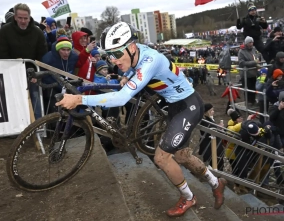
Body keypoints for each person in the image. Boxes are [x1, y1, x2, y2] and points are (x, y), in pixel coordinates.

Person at [56, 22, 227, 217]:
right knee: (182, 157)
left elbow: (121, 98)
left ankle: (189, 198)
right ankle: (216, 183)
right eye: (108, 55)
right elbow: (134, 68)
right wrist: (128, 74)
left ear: (131, 47)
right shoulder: (136, 52)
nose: (113, 61)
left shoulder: (150, 59)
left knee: (161, 158)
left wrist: (79, 99)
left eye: (117, 54)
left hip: (189, 105)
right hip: (174, 103)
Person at [0, 3, 47, 119]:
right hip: (12, 72)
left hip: (33, 72)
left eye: (25, 18)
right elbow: (2, 53)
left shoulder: (37, 32)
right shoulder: (5, 31)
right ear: (15, 17)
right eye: (20, 18)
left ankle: (38, 127)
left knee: (35, 99)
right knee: (15, 101)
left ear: (29, 18)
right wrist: (9, 71)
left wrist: (38, 73)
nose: (23, 21)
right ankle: (19, 129)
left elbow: (42, 55)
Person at [199, 103, 224, 171]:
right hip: (210, 147)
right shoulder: (205, 121)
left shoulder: (209, 119)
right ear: (207, 111)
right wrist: (219, 128)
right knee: (214, 164)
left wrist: (218, 127)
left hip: (213, 146)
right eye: (212, 110)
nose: (213, 111)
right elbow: (211, 130)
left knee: (217, 163)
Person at [238, 36, 259, 106]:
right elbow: (241, 63)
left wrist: (258, 62)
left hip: (254, 73)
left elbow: (257, 57)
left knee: (253, 88)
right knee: (247, 89)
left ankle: (253, 101)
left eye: (252, 42)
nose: (251, 44)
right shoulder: (241, 51)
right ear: (246, 43)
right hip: (246, 74)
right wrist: (254, 62)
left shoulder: (253, 49)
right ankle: (248, 102)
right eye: (250, 42)